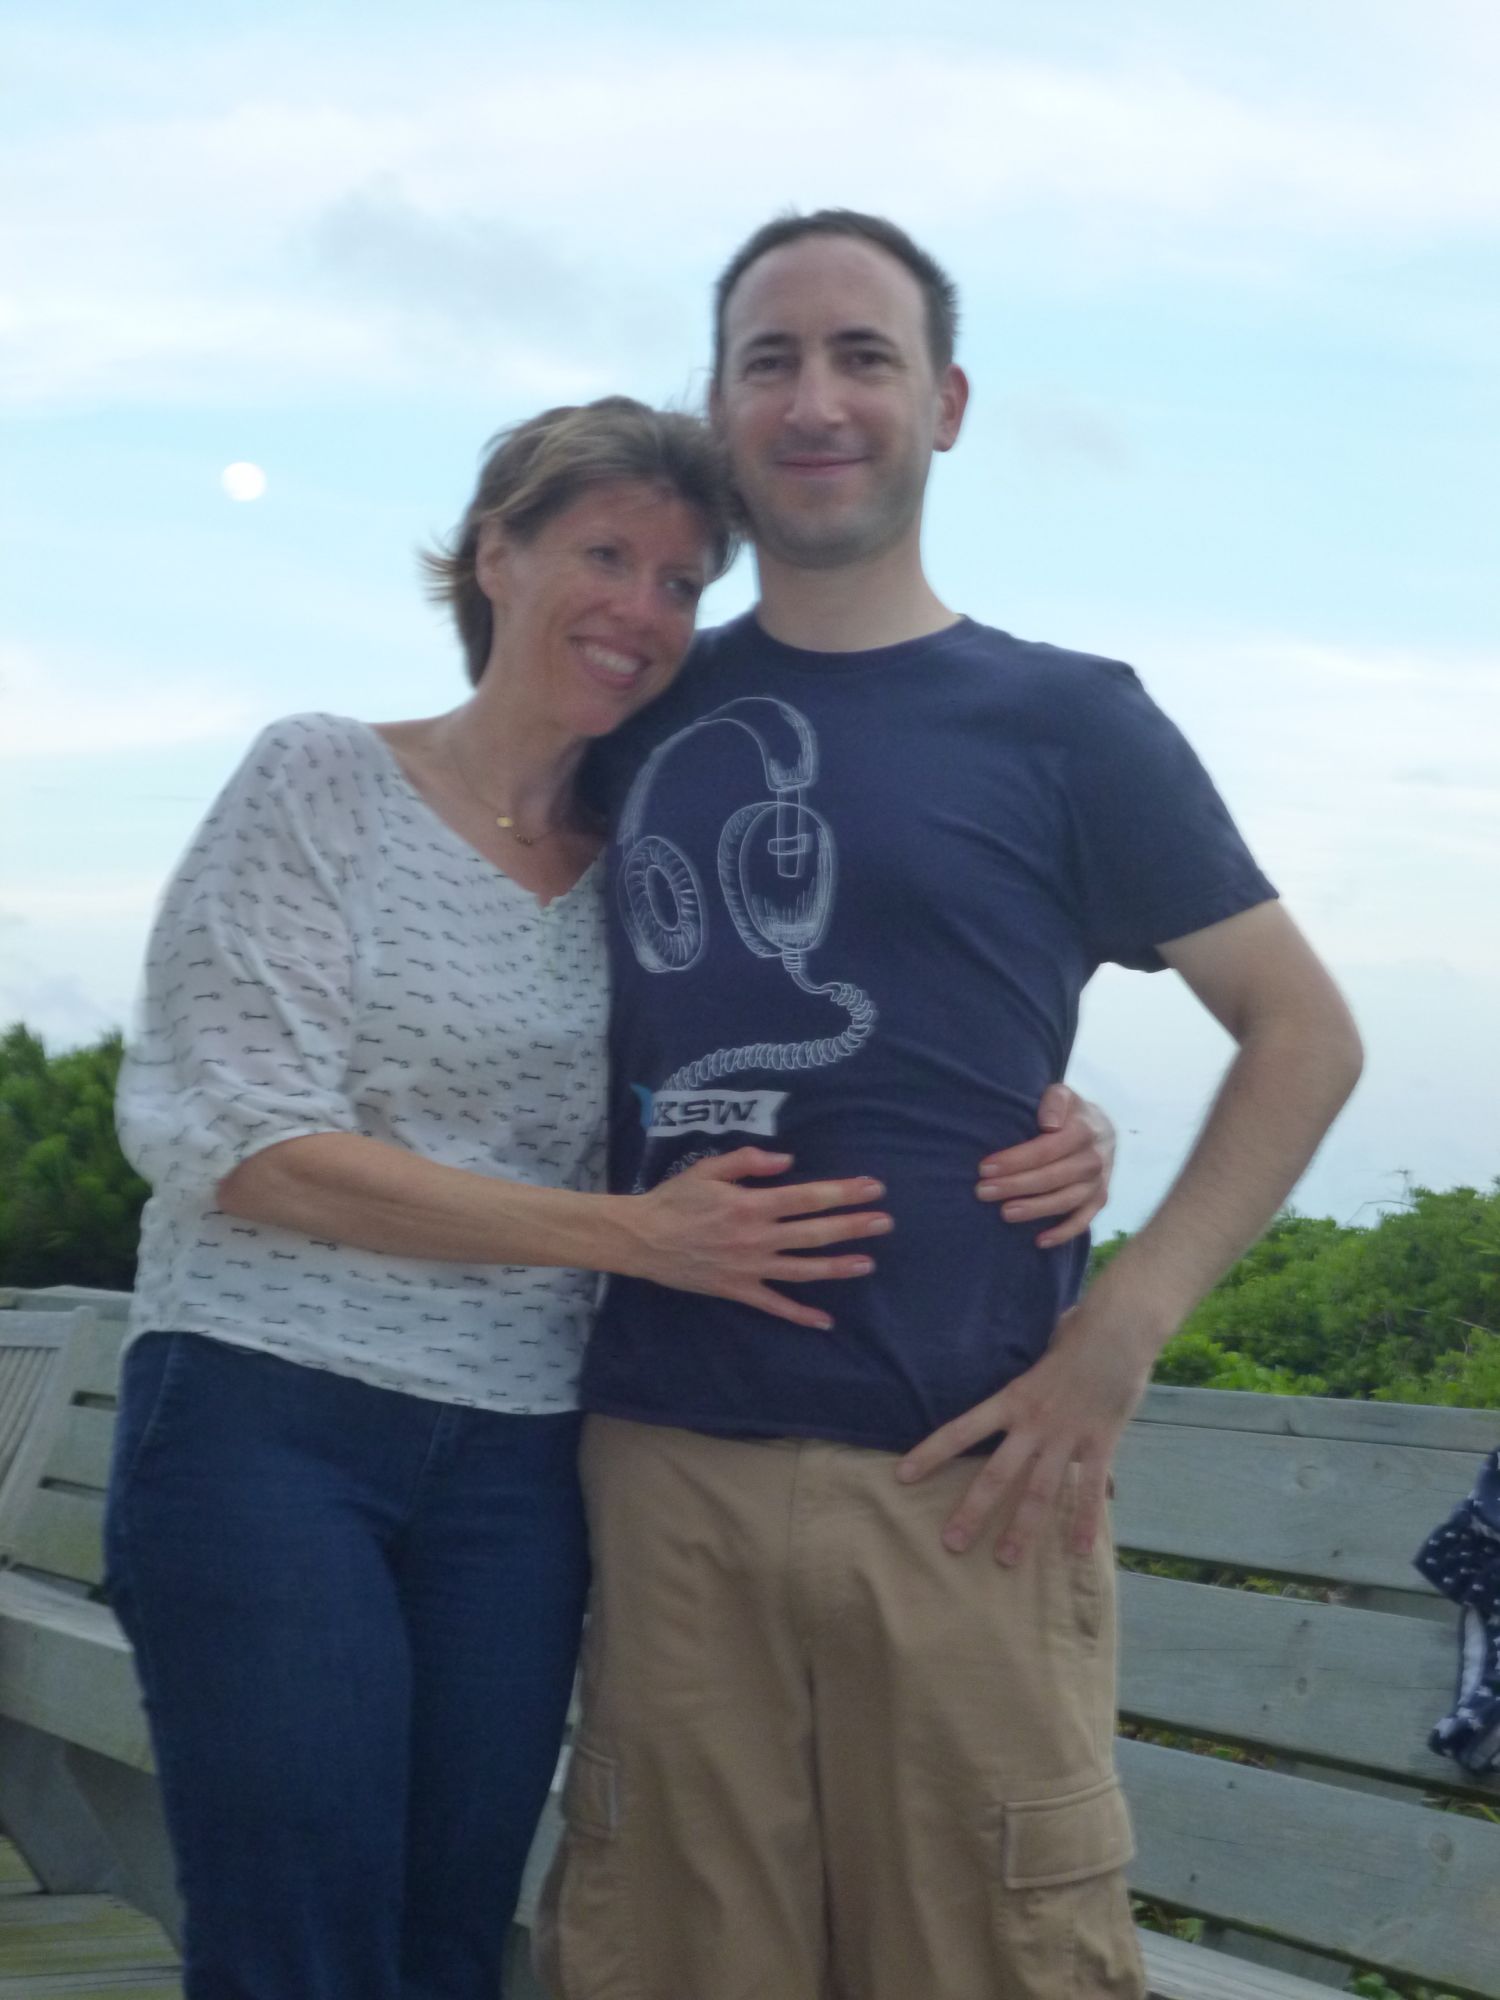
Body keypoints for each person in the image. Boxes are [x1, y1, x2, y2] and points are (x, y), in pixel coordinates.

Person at [105, 395, 1113, 2000]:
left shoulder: (649, 862)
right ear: (494, 555)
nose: (641, 609)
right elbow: (243, 1141)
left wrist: (1053, 1120)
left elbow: (795, 1055)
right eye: (603, 555)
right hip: (267, 1420)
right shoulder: (322, 777)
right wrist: (627, 1237)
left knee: (453, 1940)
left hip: (520, 1457)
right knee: (301, 1938)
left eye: (681, 580)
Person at [536, 214, 1365, 2000]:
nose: (816, 400)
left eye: (865, 356)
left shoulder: (1068, 720)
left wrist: (1123, 1332)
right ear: (721, 406)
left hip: (974, 1484)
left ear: (949, 405)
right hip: (665, 1472)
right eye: (770, 360)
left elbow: (1302, 1032)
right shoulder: (628, 706)